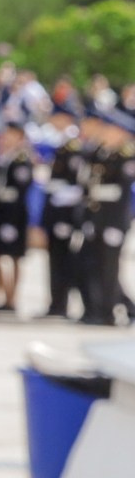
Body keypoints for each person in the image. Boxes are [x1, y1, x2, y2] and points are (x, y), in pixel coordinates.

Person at [81, 108, 131, 326]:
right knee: (93, 265)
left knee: (109, 269)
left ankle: (108, 313)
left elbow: (122, 192)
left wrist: (114, 225)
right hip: (97, 217)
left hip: (114, 220)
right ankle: (96, 308)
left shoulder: (125, 156)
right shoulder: (100, 153)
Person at [40, 105, 87, 319]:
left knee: (64, 262)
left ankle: (62, 304)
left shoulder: (74, 146)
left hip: (65, 214)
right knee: (54, 261)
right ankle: (56, 303)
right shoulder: (62, 144)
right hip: (55, 210)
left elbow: (77, 185)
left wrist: (65, 216)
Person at [0, 122, 35, 313]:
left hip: (15, 214)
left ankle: (12, 297)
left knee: (14, 255)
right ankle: (0, 291)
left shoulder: (22, 159)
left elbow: (20, 190)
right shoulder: (0, 158)